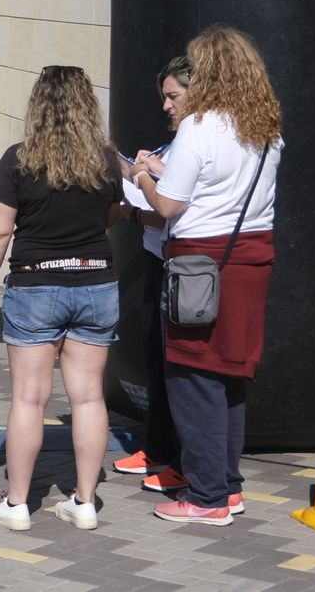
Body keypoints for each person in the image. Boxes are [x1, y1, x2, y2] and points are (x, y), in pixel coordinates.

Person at [130, 26, 282, 526]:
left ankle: (206, 496)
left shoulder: (199, 126)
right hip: (251, 258)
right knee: (231, 373)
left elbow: (170, 204)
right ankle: (229, 487)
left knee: (193, 376)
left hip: (199, 262)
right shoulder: (265, 127)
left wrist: (143, 175)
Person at [0, 65, 124, 532]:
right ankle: (84, 502)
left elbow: (1, 229)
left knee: (28, 399)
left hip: (35, 285)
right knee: (87, 398)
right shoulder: (105, 159)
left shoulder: (19, 159)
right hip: (97, 283)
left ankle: (17, 504)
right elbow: (111, 214)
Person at [111, 57, 192, 491]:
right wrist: (129, 168)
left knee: (175, 367)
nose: (165, 105)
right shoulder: (176, 145)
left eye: (173, 95)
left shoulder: (195, 144)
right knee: (155, 362)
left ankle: (175, 459)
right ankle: (157, 450)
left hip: (180, 265)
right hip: (158, 262)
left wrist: (143, 181)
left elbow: (166, 209)